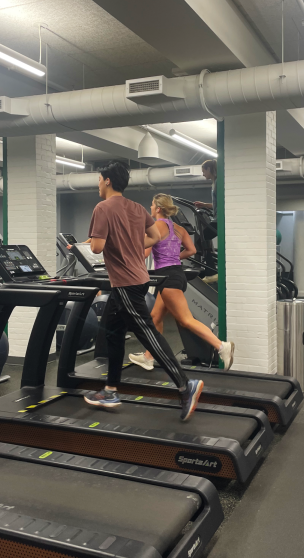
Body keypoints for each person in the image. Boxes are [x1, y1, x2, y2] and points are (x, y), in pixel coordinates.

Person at [83, 161, 204, 421]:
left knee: (147, 334)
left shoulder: (102, 208)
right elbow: (153, 237)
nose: (97, 184)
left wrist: (95, 241)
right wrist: (129, 244)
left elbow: (96, 248)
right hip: (136, 279)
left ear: (106, 181)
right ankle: (111, 389)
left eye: (98, 179)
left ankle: (185, 385)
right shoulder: (137, 207)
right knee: (113, 333)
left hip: (126, 282)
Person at [129, 193, 235, 371]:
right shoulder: (179, 228)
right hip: (177, 274)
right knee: (155, 317)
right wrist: (173, 257)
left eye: (152, 205)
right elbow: (191, 250)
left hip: (168, 278)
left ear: (159, 208)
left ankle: (221, 346)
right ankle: (149, 356)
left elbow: (144, 254)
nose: (150, 209)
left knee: (185, 320)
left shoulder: (155, 227)